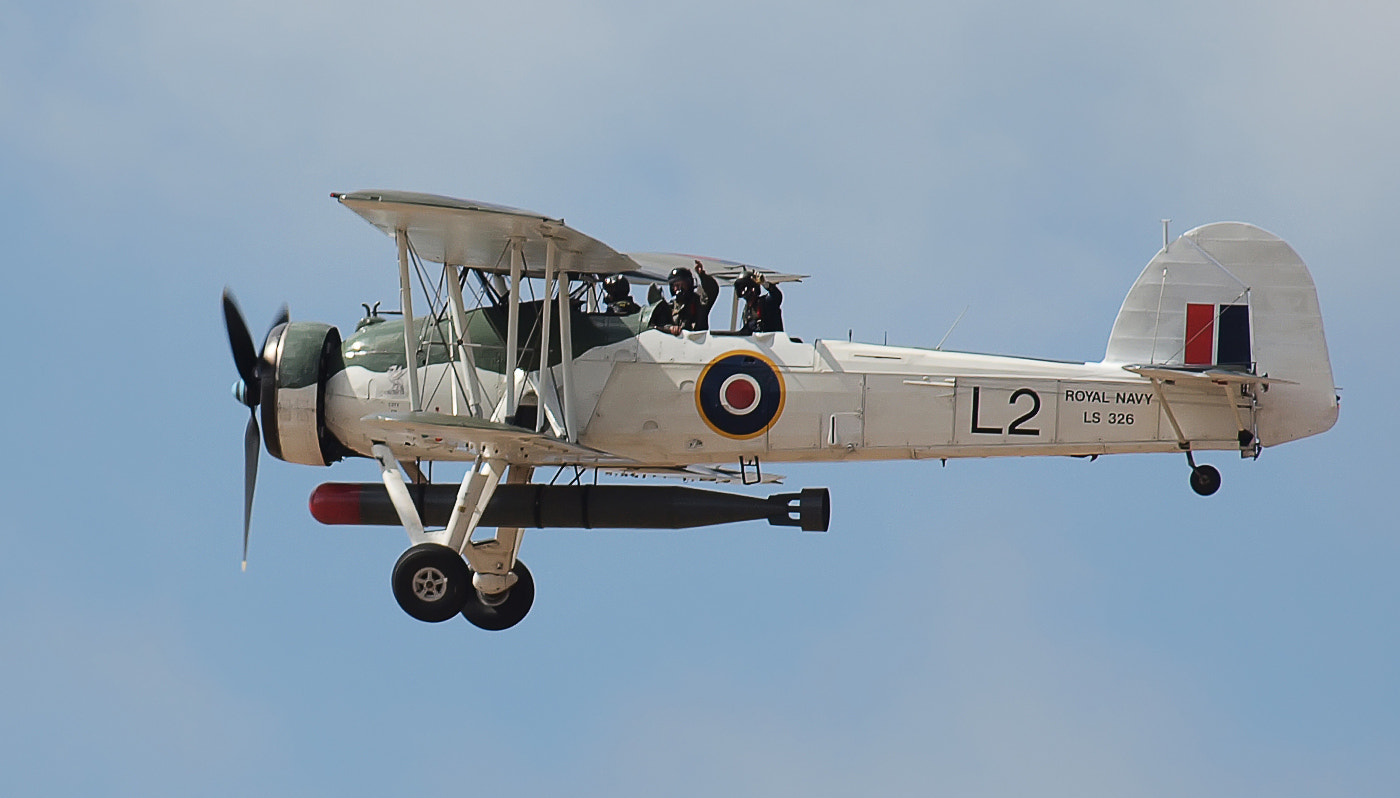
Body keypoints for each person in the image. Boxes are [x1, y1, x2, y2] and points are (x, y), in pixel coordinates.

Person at [651, 260, 720, 335]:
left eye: (682, 284)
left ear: (689, 284)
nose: (678, 288)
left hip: (697, 342)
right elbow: (659, 325)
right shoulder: (670, 308)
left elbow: (711, 291)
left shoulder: (699, 303)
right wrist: (670, 328)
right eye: (676, 285)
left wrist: (702, 275)